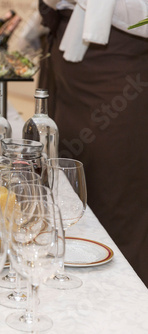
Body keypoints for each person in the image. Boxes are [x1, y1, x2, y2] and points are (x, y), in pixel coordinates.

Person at [39, 0, 148, 285]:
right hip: (68, 70)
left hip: (117, 76)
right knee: (66, 191)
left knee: (114, 198)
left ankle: (124, 307)